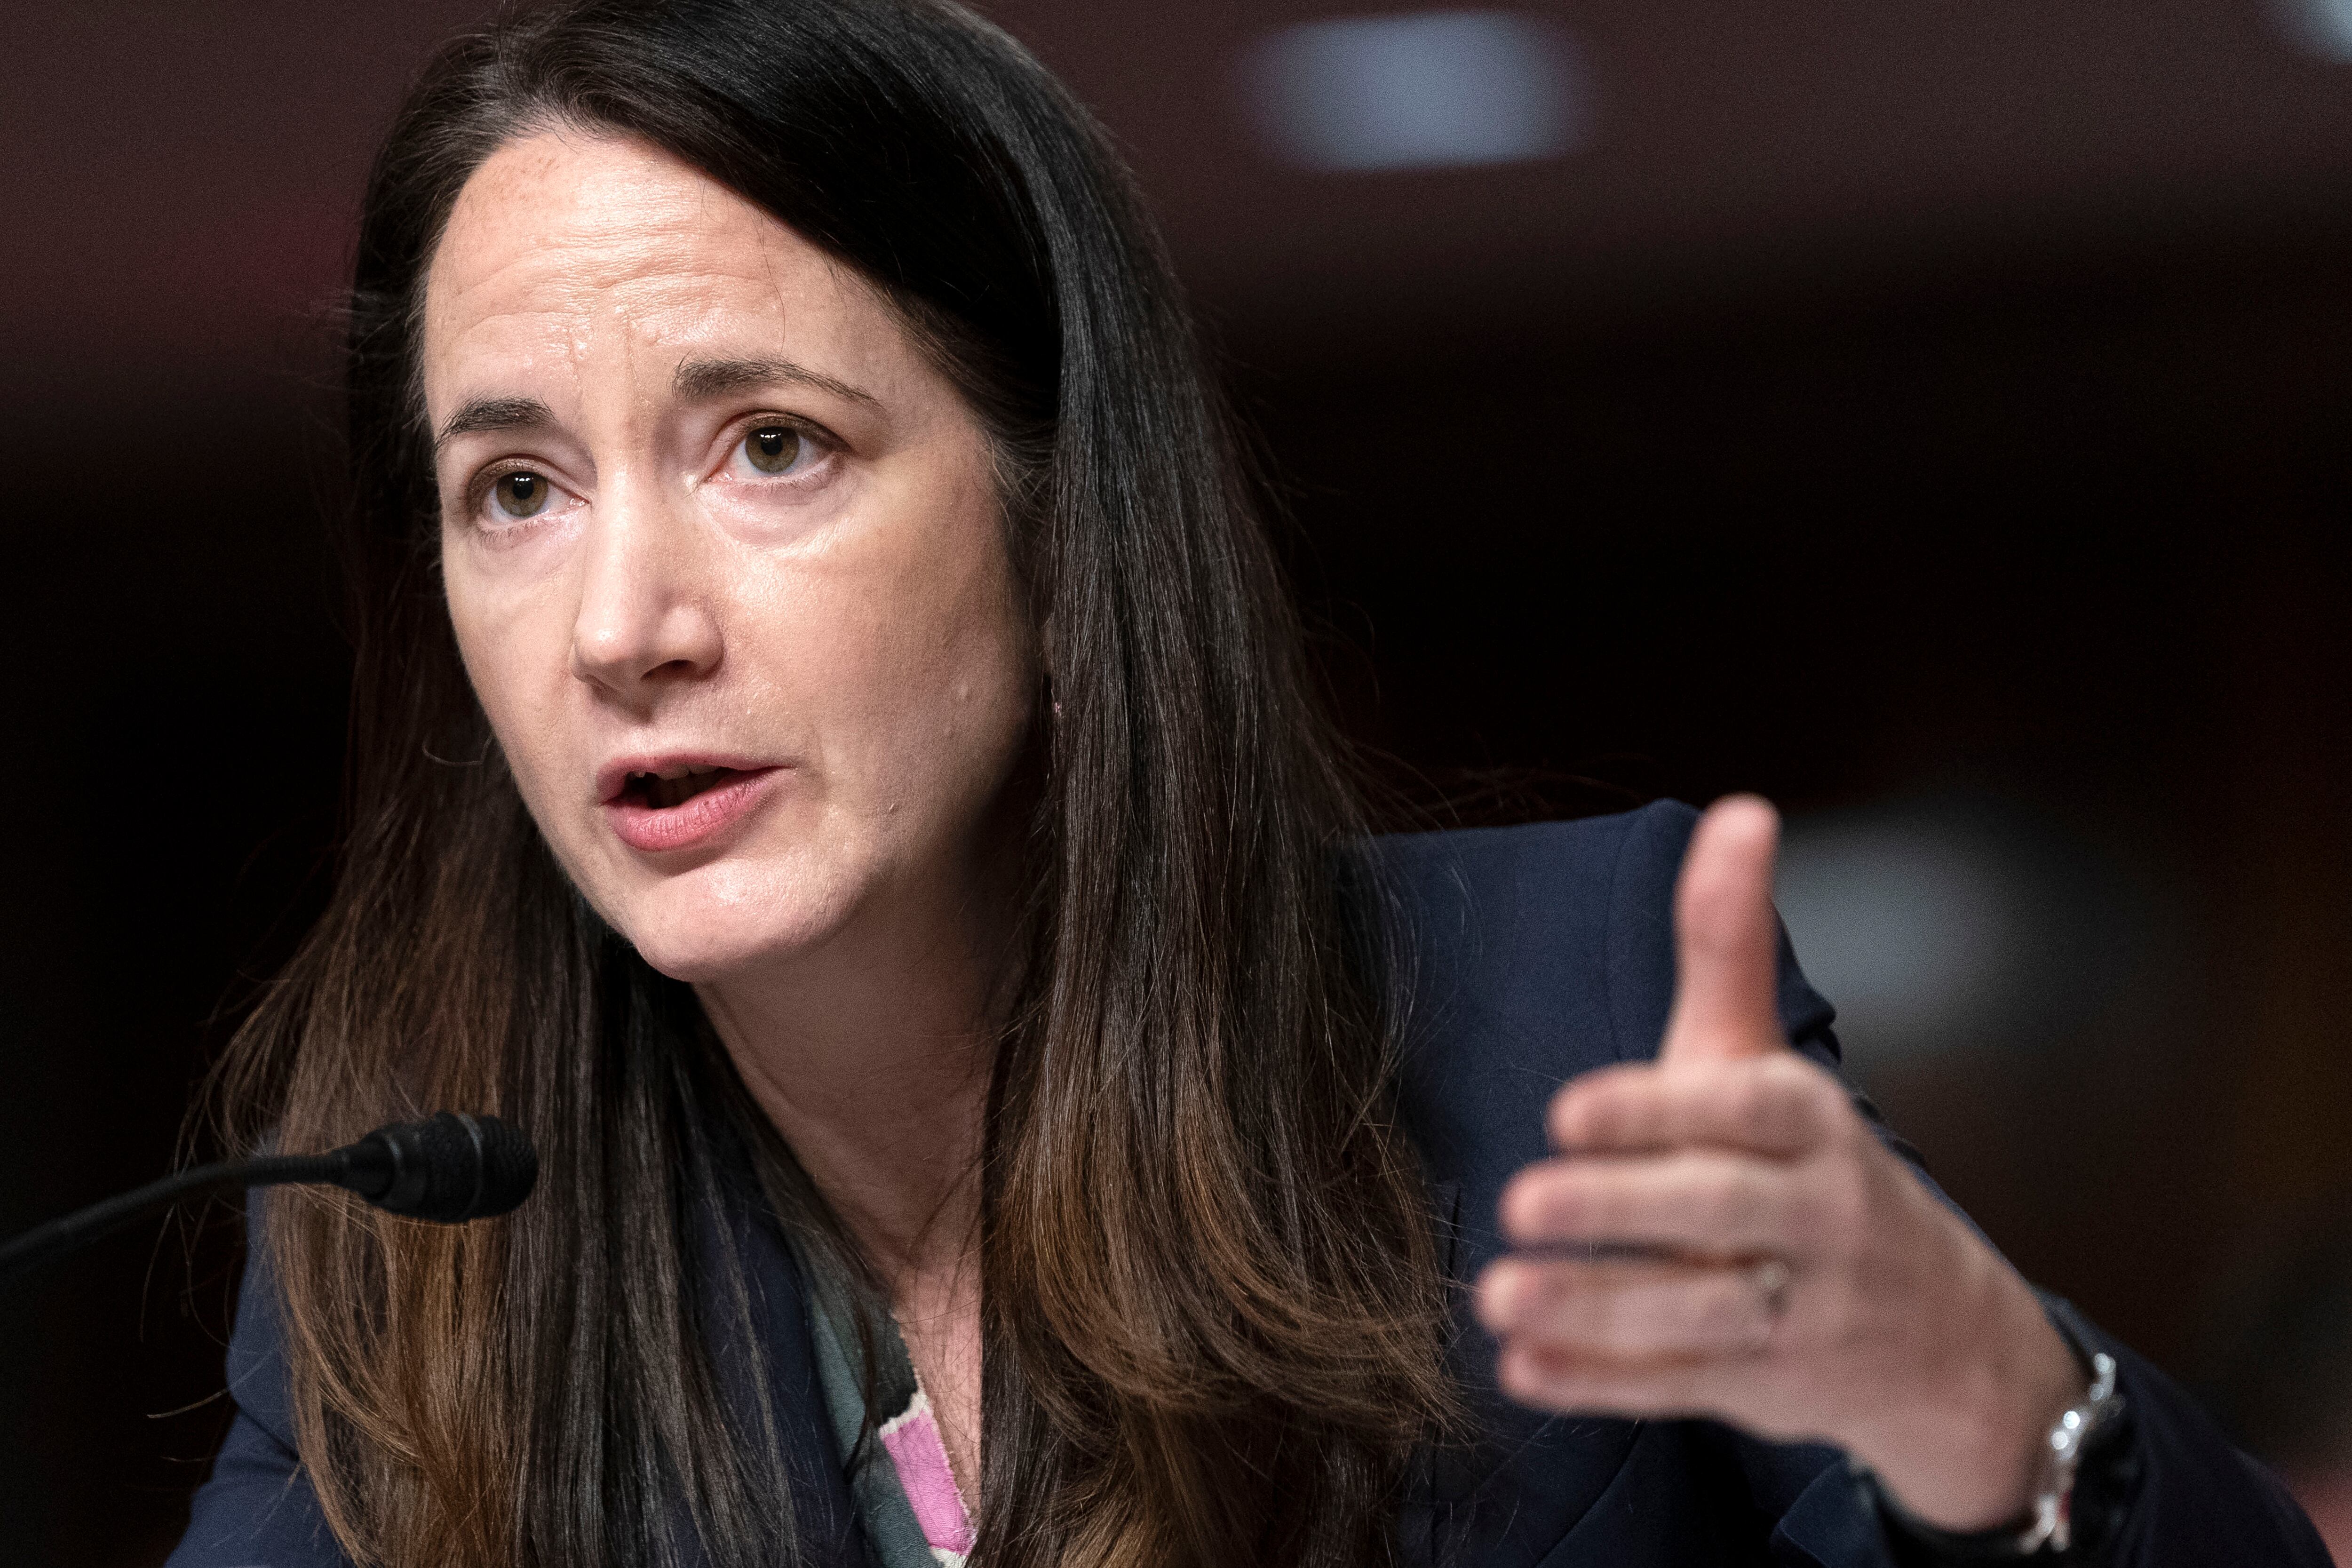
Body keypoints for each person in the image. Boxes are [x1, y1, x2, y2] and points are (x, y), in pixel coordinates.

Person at [166, 2, 2327, 1565]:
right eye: (515, 489)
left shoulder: (1552, 1020)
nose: (620, 625)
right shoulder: (410, 1222)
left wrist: (1979, 1399)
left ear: (1059, 520)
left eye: (773, 448)